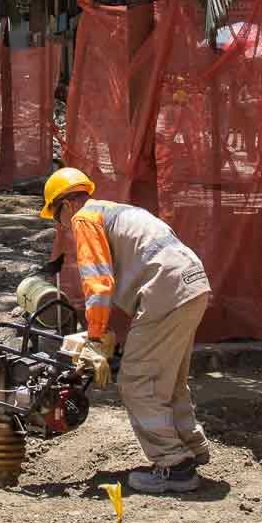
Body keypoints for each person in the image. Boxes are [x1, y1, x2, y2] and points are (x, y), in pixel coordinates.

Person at [39, 166, 213, 495]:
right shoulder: (116, 210)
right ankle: (191, 446)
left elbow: (98, 284)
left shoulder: (84, 219)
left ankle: (174, 466)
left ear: (66, 205)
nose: (60, 225)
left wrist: (93, 336)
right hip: (192, 285)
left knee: (136, 381)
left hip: (167, 290)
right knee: (168, 378)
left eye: (55, 217)